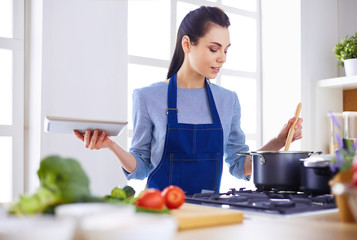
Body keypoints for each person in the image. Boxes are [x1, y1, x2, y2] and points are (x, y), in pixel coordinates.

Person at [74, 6, 303, 195]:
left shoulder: (228, 100)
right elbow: (141, 167)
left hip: (208, 215)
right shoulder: (147, 97)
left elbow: (238, 166)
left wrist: (277, 141)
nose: (222, 58)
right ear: (187, 44)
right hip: (160, 212)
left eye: (225, 50)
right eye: (214, 49)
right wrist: (111, 146)